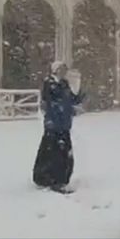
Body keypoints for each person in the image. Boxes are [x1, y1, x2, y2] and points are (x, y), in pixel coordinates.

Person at [33, 61, 85, 193]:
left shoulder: (64, 84)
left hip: (64, 125)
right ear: (55, 70)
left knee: (65, 154)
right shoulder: (49, 84)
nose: (64, 72)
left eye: (65, 70)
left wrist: (78, 89)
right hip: (54, 126)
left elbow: (73, 100)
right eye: (61, 70)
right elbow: (51, 103)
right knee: (53, 154)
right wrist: (64, 110)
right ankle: (51, 180)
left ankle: (62, 179)